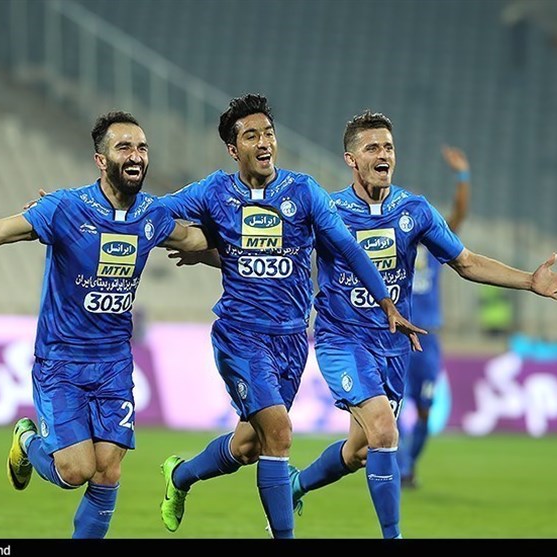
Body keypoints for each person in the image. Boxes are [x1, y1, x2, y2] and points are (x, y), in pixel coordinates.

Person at [0, 111, 210, 539]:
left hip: (114, 364)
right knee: (75, 471)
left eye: (141, 147)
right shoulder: (65, 208)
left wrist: (255, 251)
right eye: (124, 147)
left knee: (108, 471)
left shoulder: (151, 215)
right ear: (101, 160)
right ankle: (27, 440)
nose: (136, 155)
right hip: (61, 362)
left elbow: (196, 240)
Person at [285, 110, 557, 538]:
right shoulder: (328, 211)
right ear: (351, 159)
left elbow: (465, 261)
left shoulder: (415, 210)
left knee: (359, 451)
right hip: (342, 340)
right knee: (384, 431)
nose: (383, 154)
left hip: (393, 345)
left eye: (388, 147)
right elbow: (283, 251)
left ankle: (296, 485)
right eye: (372, 148)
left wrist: (528, 280)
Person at [156, 94, 425, 539]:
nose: (264, 142)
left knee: (248, 446)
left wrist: (386, 302)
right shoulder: (214, 191)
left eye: (269, 133)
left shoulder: (303, 192)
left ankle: (180, 476)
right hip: (241, 336)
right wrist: (80, 209)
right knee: (280, 433)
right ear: (233, 149)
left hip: (292, 338)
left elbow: (348, 247)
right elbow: (152, 212)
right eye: (252, 136)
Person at [397, 145, 470, 489]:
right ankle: (398, 466)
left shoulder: (434, 244)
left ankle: (409, 464)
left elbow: (459, 214)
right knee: (390, 407)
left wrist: (463, 176)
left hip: (428, 337)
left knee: (424, 409)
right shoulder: (391, 243)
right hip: (395, 334)